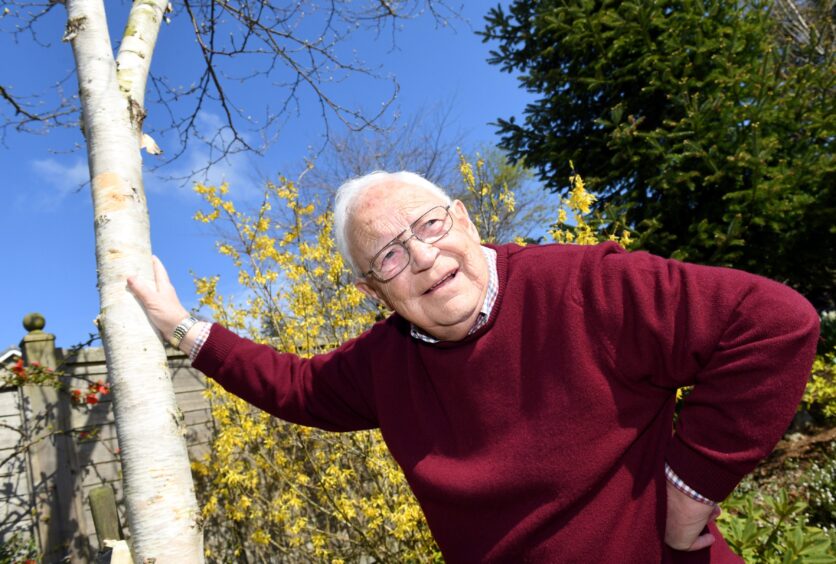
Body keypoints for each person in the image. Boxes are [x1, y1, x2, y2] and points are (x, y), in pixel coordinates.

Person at [128, 171, 819, 563]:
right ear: (374, 291)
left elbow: (774, 323)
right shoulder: (384, 361)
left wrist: (688, 492)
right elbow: (296, 386)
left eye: (428, 226)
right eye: (390, 256)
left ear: (462, 217)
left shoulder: (583, 288)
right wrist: (181, 327)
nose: (423, 258)